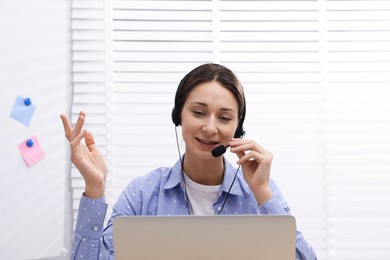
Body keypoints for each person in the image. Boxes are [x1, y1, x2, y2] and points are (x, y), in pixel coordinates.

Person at [61, 63, 317, 259]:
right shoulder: (143, 193)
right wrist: (95, 189)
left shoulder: (258, 193)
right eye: (198, 112)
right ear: (178, 116)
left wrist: (262, 192)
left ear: (238, 129)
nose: (210, 127)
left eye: (225, 118)